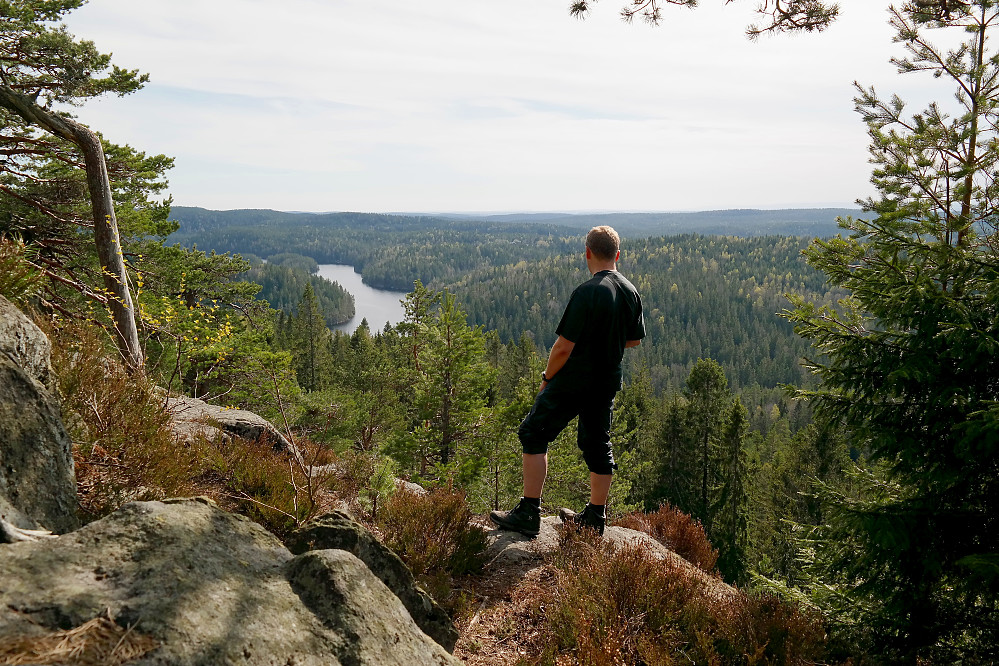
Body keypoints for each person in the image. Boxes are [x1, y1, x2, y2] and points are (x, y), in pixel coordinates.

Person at [489, 225, 645, 537]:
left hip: (575, 379)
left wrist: (547, 378)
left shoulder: (587, 292)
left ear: (587, 253)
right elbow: (633, 341)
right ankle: (595, 517)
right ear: (617, 255)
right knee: (597, 443)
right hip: (607, 381)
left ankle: (529, 512)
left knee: (533, 432)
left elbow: (563, 347)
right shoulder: (630, 291)